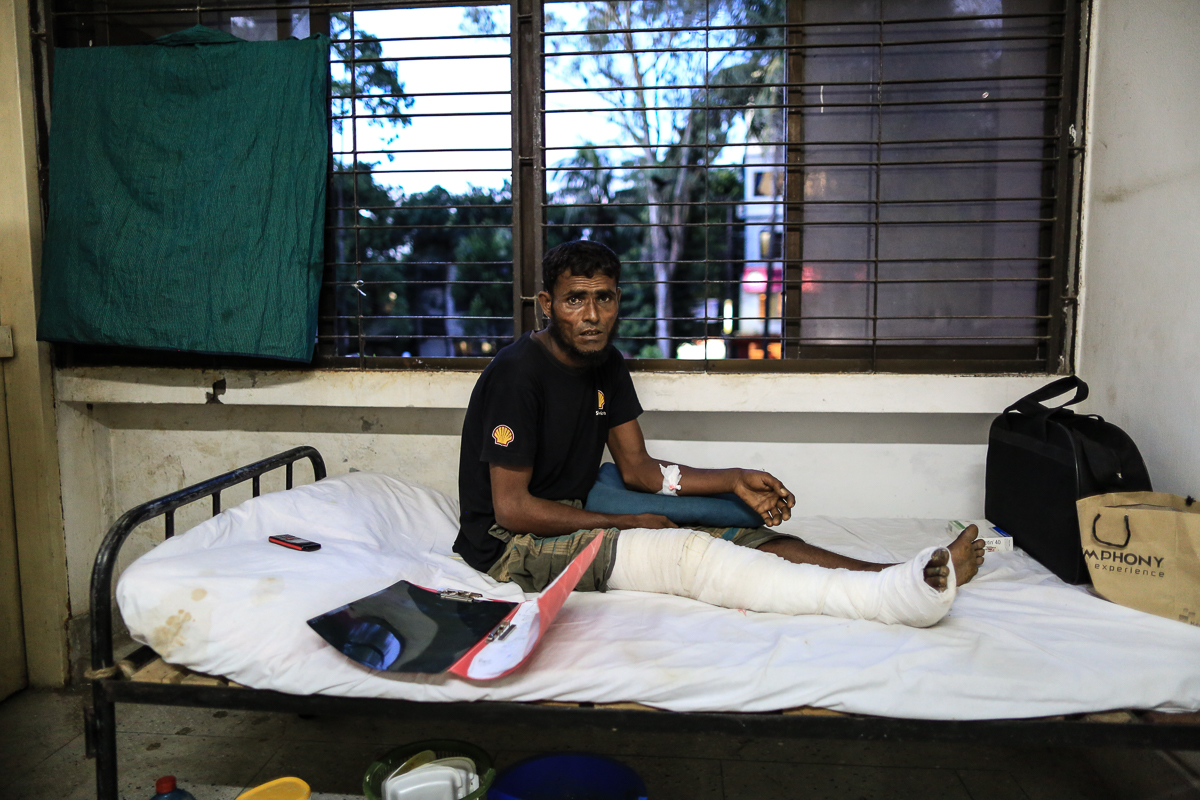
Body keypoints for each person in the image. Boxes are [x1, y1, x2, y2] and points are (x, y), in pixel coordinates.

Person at [453, 240, 985, 627]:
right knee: (686, 551)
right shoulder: (517, 374)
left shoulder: (606, 364)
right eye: (575, 300)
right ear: (547, 305)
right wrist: (626, 522)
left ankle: (897, 576)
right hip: (509, 545)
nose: (592, 316)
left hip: (575, 507)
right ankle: (892, 594)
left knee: (743, 532)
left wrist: (730, 480)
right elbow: (512, 510)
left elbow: (638, 470)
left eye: (605, 298)